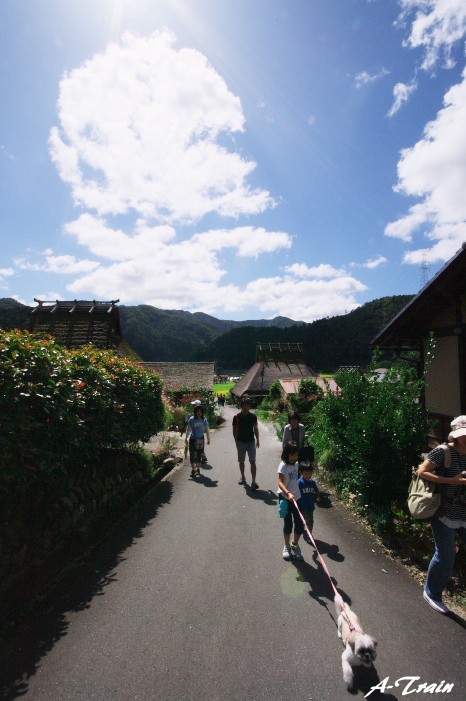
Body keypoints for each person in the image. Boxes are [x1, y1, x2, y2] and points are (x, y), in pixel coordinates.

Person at [418, 415, 466, 613]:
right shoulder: (443, 451)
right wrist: (453, 481)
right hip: (445, 510)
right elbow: (422, 472)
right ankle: (432, 592)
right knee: (446, 554)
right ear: (456, 435)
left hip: (464, 510)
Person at [277, 441, 304, 561]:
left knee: (299, 524)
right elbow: (280, 482)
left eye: (296, 455)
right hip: (285, 498)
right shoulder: (283, 465)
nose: (294, 458)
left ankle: (295, 544)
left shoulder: (297, 464)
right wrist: (288, 493)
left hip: (297, 498)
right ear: (286, 454)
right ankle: (286, 546)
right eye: (291, 455)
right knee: (288, 523)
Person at [232, 396, 260, 490]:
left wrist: (258, 440)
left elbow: (255, 428)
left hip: (251, 441)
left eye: (248, 405)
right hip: (241, 442)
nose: (246, 407)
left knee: (252, 461)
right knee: (241, 461)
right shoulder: (236, 417)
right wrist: (236, 441)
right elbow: (234, 430)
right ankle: (243, 477)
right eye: (245, 405)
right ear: (242, 406)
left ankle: (253, 481)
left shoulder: (253, 417)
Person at [298, 461, 320, 544]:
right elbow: (296, 492)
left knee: (310, 522)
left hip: (310, 507)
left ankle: (309, 534)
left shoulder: (313, 482)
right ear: (301, 473)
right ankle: (302, 528)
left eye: (310, 474)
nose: (308, 476)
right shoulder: (300, 483)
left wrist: (318, 496)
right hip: (302, 506)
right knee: (301, 520)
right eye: (306, 474)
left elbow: (316, 490)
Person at [185, 404, 210, 477]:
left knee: (199, 455)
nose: (199, 413)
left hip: (200, 439)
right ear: (195, 412)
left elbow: (207, 429)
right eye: (197, 411)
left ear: (202, 412)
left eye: (200, 411)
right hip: (193, 438)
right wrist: (186, 437)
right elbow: (188, 428)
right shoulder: (192, 419)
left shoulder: (204, 420)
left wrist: (208, 438)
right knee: (192, 454)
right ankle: (193, 469)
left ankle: (198, 469)